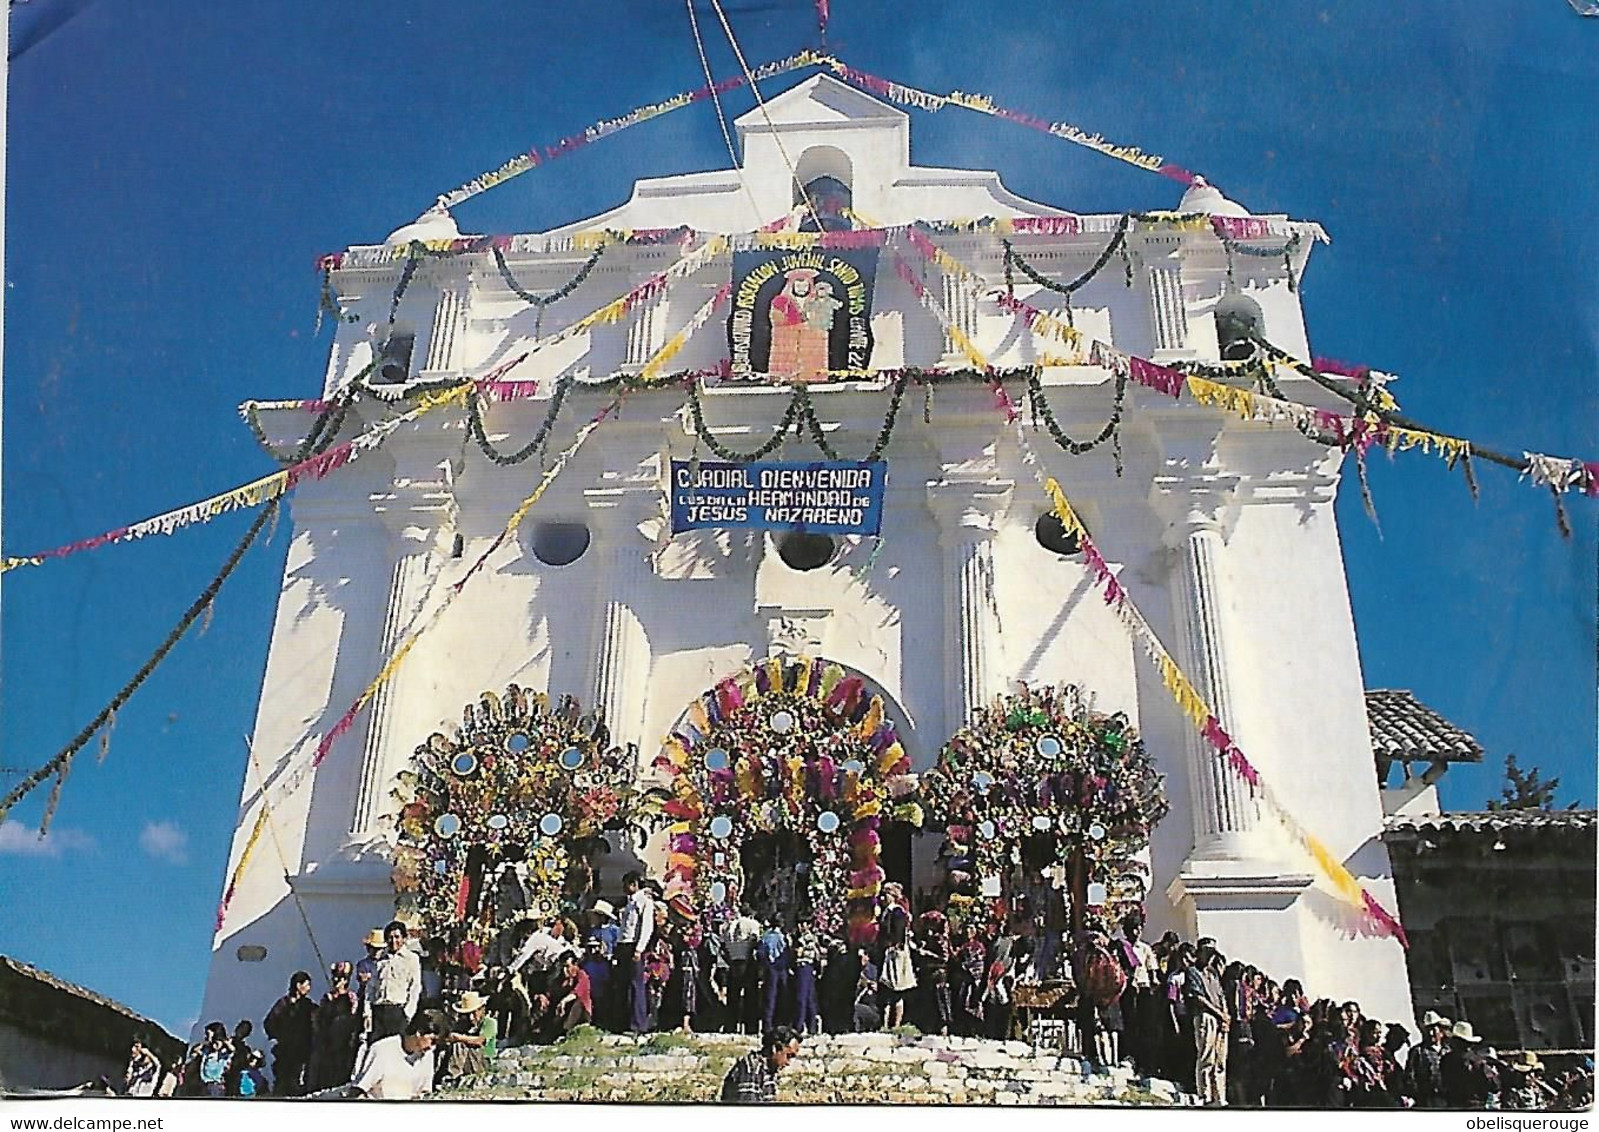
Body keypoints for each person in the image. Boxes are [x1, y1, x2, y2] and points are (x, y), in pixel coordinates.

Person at [347, 1010, 448, 1099]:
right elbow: (359, 1090)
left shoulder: (428, 1055)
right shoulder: (382, 1049)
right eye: (432, 1041)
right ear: (419, 1032)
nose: (432, 1047)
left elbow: (425, 1092)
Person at [1187, 938, 1230, 1106]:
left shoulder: (1212, 973)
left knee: (1220, 1059)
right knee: (1206, 1057)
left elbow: (1221, 995)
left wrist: (1225, 1015)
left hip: (1219, 1018)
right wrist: (1219, 1013)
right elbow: (1198, 998)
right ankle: (1205, 1094)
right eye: (1207, 952)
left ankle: (1219, 1095)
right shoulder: (1193, 971)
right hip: (1205, 1016)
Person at [310, 962, 362, 1091]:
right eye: (335, 977)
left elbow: (353, 1017)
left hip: (343, 1041)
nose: (336, 980)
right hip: (326, 1040)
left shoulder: (351, 998)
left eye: (340, 978)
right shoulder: (327, 997)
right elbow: (318, 1017)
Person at [719, 1024, 801, 1103]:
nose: (788, 1062)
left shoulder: (768, 1071)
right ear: (775, 1048)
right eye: (788, 1056)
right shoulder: (751, 1069)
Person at [264, 969, 316, 1095]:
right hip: (285, 1050)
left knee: (297, 1082)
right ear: (299, 985)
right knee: (282, 1081)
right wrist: (280, 1035)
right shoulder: (283, 1004)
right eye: (307, 985)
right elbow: (269, 1022)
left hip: (302, 1050)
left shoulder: (308, 1005)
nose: (309, 988)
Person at [370, 920, 422, 1042]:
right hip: (379, 1010)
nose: (394, 941)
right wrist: (368, 1011)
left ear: (404, 938)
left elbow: (414, 988)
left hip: (397, 1010)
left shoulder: (411, 959)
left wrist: (408, 1013)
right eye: (390, 937)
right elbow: (371, 987)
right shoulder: (380, 960)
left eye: (397, 937)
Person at [616, 872, 655, 1034]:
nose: (624, 887)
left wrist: (639, 948)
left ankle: (638, 1024)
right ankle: (624, 1021)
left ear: (634, 884)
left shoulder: (644, 902)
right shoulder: (629, 903)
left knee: (636, 984)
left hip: (634, 945)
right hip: (623, 945)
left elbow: (646, 927)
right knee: (624, 984)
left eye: (627, 884)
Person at [877, 885, 916, 1030]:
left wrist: (893, 945)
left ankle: (896, 1023)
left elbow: (897, 932)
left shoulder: (897, 911)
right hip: (887, 953)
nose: (883, 898)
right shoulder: (886, 912)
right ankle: (885, 1023)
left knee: (897, 987)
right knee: (887, 988)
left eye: (886, 895)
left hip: (895, 955)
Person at [721, 904, 762, 1034]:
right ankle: (751, 1026)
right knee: (750, 996)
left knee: (733, 996)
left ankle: (731, 1025)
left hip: (733, 960)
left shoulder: (728, 926)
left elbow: (724, 944)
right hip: (747, 961)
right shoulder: (753, 924)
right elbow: (754, 940)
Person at [440, 991, 497, 1084]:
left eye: (474, 1013)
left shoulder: (490, 1022)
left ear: (481, 1009)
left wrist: (459, 1038)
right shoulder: (463, 1024)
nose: (471, 1017)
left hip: (482, 1059)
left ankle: (453, 1076)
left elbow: (480, 1041)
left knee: (459, 1044)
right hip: (465, 1059)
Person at [756, 919, 790, 1033]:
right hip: (781, 969)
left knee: (770, 997)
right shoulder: (783, 936)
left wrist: (766, 964)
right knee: (782, 996)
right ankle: (780, 1023)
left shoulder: (766, 936)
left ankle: (767, 1025)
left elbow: (760, 953)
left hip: (771, 968)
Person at [790, 926, 823, 1037]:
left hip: (803, 966)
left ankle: (798, 1026)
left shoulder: (804, 938)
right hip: (810, 968)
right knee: (809, 998)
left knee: (801, 998)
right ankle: (811, 1026)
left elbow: (799, 953)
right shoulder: (813, 937)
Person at [354, 928, 385, 1040]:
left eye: (379, 949)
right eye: (374, 948)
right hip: (365, 999)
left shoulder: (386, 963)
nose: (376, 951)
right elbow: (363, 978)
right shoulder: (363, 964)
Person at [195, 1022, 232, 1098]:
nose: (206, 1036)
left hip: (216, 1084)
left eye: (208, 1034)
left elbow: (232, 1050)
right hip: (205, 1082)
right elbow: (196, 1050)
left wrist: (222, 1040)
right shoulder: (207, 1049)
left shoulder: (223, 1051)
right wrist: (205, 1043)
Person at [225, 1019, 257, 1096]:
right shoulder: (226, 1042)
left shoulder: (245, 1049)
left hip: (236, 1078)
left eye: (245, 1030)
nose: (241, 1031)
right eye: (240, 1028)